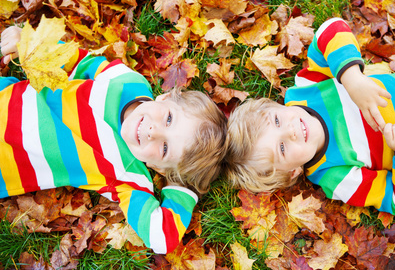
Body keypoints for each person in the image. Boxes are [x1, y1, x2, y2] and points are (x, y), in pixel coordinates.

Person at [0, 26, 227, 253]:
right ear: (166, 97)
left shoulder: (128, 175)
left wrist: (183, 186)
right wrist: (32, 44)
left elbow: (161, 237)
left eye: (165, 148)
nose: (153, 132)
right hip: (8, 95)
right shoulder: (128, 82)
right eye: (168, 119)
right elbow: (79, 63)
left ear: (158, 167)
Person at [225, 17, 395, 215]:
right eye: (282, 148)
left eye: (276, 121)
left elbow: (331, 29)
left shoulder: (307, 90)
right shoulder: (335, 176)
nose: (290, 130)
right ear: (293, 172)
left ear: (275, 105)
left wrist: (351, 79)